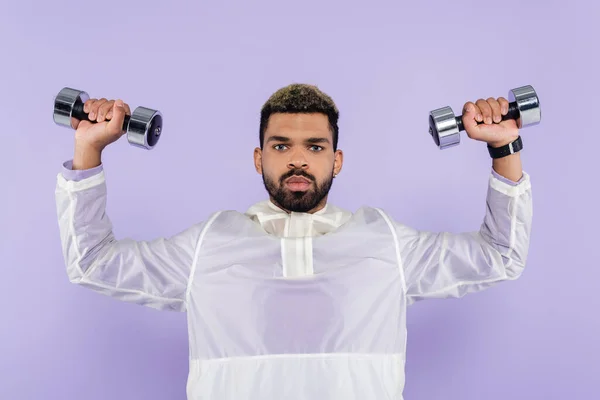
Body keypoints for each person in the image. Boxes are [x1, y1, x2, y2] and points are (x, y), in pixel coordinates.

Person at [54, 83, 532, 399]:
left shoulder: (384, 240)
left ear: (337, 160)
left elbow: (500, 255)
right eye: (281, 147)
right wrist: (87, 149)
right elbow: (92, 263)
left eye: (315, 147)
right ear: (259, 158)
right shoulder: (209, 244)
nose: (298, 161)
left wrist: (503, 147)